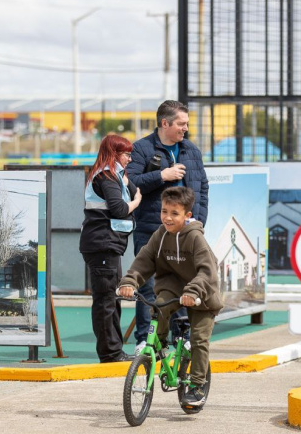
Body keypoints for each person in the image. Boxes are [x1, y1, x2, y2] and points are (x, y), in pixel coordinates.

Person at [118, 186, 222, 407]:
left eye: (175, 213)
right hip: (173, 287)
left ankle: (197, 385)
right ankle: (160, 344)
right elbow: (144, 260)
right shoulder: (160, 235)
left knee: (199, 339)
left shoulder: (195, 238)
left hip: (202, 294)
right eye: (164, 211)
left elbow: (207, 271)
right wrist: (129, 282)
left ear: (187, 215)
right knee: (160, 306)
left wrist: (193, 291)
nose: (167, 217)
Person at [126, 100, 209, 355]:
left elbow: (203, 187)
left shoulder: (191, 151)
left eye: (186, 124)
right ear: (165, 123)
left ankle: (181, 337)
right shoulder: (142, 148)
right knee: (148, 286)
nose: (186, 128)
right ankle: (145, 340)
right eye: (181, 124)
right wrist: (162, 175)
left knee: (184, 283)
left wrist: (199, 222)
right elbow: (131, 182)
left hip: (186, 232)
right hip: (151, 229)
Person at [80, 134, 142, 363]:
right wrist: (136, 203)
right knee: (107, 300)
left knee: (111, 299)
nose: (129, 159)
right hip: (103, 244)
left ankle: (113, 351)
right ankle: (110, 353)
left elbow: (134, 191)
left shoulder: (112, 175)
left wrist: (126, 181)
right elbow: (119, 209)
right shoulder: (106, 177)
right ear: (115, 154)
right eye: (126, 155)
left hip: (107, 244)